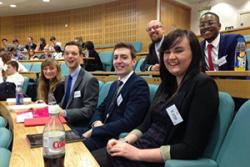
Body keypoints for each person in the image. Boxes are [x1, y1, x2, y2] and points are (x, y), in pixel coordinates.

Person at [93, 29, 219, 167]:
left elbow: (191, 148)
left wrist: (136, 154)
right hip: (142, 146)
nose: (171, 57)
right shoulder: (167, 84)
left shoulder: (203, 85)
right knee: (88, 159)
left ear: (194, 53)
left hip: (160, 159)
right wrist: (125, 142)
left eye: (178, 51)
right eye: (167, 52)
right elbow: (146, 124)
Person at [82, 42, 150, 151]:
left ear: (133, 62)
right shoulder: (115, 84)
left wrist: (96, 130)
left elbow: (130, 122)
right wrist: (96, 122)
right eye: (115, 57)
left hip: (114, 140)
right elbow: (100, 109)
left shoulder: (138, 85)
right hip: (101, 134)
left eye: (124, 57)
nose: (118, 61)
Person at [59, 41, 99, 135]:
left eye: (74, 53)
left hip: (79, 127)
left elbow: (89, 110)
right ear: (64, 57)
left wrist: (65, 113)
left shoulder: (90, 80)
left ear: (81, 57)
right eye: (67, 53)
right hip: (65, 123)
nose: (70, 56)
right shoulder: (68, 77)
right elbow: (66, 103)